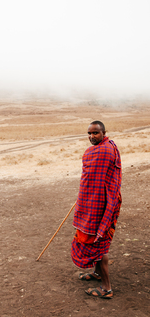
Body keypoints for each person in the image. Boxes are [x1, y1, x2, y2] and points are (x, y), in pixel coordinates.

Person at [71, 121, 122, 299]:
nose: (92, 137)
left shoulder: (104, 150)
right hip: (93, 200)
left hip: (101, 204)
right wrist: (85, 191)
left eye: (96, 133)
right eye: (89, 133)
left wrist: (88, 192)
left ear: (103, 133)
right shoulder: (106, 147)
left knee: (99, 243)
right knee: (94, 240)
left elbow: (101, 179)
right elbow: (91, 177)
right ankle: (97, 273)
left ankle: (106, 288)